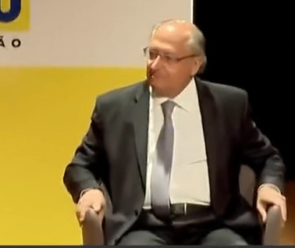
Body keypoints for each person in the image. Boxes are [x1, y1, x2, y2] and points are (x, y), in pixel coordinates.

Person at [63, 19, 287, 245]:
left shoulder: (228, 105)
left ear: (195, 65)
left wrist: (269, 186)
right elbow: (79, 166)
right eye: (152, 54)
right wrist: (88, 190)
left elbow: (268, 158)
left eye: (168, 58)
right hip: (142, 227)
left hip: (216, 224)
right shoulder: (115, 108)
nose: (154, 65)